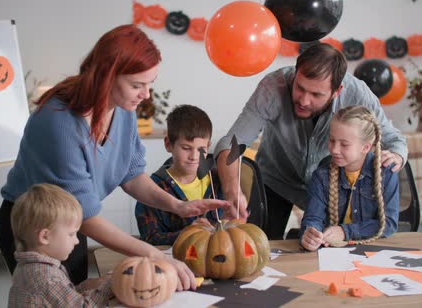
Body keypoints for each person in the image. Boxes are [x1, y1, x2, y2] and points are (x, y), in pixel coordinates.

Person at [0, 24, 229, 290]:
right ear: (107, 76)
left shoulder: (123, 109)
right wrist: (152, 254)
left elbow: (131, 175)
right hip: (35, 227)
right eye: (137, 85)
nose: (146, 95)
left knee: (76, 294)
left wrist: (177, 205)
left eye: (149, 84)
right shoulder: (57, 123)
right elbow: (86, 215)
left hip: (70, 223)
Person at [214, 43, 407, 239]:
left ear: (337, 91)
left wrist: (397, 155)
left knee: (328, 253)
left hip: (328, 185)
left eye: (316, 94)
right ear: (295, 74)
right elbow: (232, 143)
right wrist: (231, 190)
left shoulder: (358, 94)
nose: (304, 100)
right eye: (300, 88)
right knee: (260, 245)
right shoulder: (272, 87)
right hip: (276, 179)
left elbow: (392, 138)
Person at [299, 106, 399, 251]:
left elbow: (388, 224)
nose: (334, 150)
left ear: (365, 147)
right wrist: (310, 234)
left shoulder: (386, 172)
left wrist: (345, 231)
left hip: (374, 251)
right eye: (332, 140)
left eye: (344, 144)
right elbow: (313, 218)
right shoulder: (321, 174)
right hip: (331, 253)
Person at [8, 183, 113, 307]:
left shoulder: (30, 268)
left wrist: (88, 285)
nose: (77, 241)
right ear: (45, 237)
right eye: (72, 234)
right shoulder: (46, 278)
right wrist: (110, 286)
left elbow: (61, 298)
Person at [135, 105, 224, 245]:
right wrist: (187, 233)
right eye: (186, 148)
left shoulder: (218, 181)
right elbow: (149, 239)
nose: (194, 156)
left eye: (201, 149)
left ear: (208, 145)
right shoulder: (151, 190)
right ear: (168, 144)